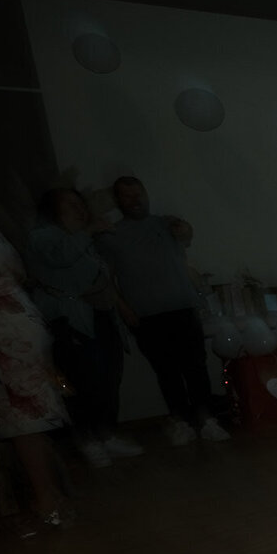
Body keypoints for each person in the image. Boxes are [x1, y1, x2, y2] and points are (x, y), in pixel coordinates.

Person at [0, 195, 72, 530]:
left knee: (21, 422)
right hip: (21, 324)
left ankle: (47, 504)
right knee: (32, 419)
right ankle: (53, 497)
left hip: (1, 337)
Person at [97, 177, 227, 446]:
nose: (136, 200)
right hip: (145, 315)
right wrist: (123, 309)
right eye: (128, 196)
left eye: (139, 194)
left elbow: (186, 233)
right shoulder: (111, 235)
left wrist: (182, 227)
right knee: (166, 371)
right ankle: (181, 421)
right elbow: (106, 278)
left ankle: (207, 420)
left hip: (182, 308)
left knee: (195, 367)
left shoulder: (165, 224)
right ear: (118, 201)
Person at [24, 188, 143, 467]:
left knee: (109, 378)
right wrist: (87, 232)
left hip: (100, 315)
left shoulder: (85, 239)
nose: (79, 209)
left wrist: (123, 307)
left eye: (80, 204)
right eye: (70, 204)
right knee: (83, 382)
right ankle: (86, 440)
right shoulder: (42, 236)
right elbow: (60, 258)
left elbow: (101, 276)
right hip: (71, 320)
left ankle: (106, 435)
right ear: (52, 210)